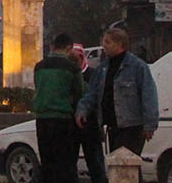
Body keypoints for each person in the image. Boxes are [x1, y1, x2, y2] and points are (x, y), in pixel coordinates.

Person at [77, 27, 159, 159]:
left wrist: (150, 124)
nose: (104, 46)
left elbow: (149, 95)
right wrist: (82, 109)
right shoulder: (103, 68)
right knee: (121, 168)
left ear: (120, 44)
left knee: (124, 164)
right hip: (112, 126)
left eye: (108, 42)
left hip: (132, 127)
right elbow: (93, 93)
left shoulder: (137, 67)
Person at [33, 32, 84, 183]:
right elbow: (79, 93)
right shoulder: (72, 68)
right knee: (64, 163)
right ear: (69, 48)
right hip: (62, 119)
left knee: (47, 162)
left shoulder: (39, 66)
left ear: (53, 46)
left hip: (42, 119)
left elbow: (38, 88)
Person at [67, 42, 106, 183]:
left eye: (78, 57)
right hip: (71, 125)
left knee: (95, 163)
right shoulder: (67, 76)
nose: (76, 60)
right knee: (70, 164)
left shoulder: (93, 74)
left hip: (91, 125)